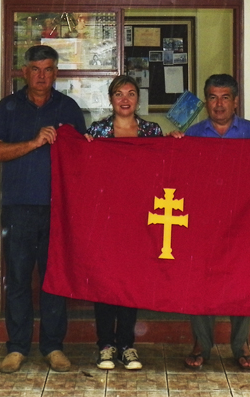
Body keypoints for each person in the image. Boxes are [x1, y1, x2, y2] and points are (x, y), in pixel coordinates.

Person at [0, 45, 86, 374]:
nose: (42, 76)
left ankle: (53, 347)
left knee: (54, 280)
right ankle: (17, 348)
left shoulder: (68, 108)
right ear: (24, 72)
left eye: (48, 69)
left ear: (56, 73)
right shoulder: (8, 107)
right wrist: (33, 142)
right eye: (36, 69)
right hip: (18, 208)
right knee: (18, 279)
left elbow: (83, 157)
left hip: (58, 209)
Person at [175, 73, 250, 372]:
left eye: (225, 97)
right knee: (200, 281)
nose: (219, 104)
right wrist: (174, 147)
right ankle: (201, 344)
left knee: (241, 279)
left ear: (236, 101)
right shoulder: (193, 134)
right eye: (213, 97)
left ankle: (241, 345)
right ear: (206, 101)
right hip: (203, 223)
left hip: (241, 222)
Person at [84, 75, 165, 371]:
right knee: (105, 280)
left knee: (131, 281)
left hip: (138, 218)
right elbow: (85, 170)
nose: (125, 99)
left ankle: (127, 345)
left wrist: (176, 143)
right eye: (119, 94)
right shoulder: (97, 131)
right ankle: (106, 345)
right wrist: (83, 147)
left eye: (131, 93)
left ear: (138, 99)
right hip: (106, 219)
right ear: (110, 99)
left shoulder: (152, 131)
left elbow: (165, 166)